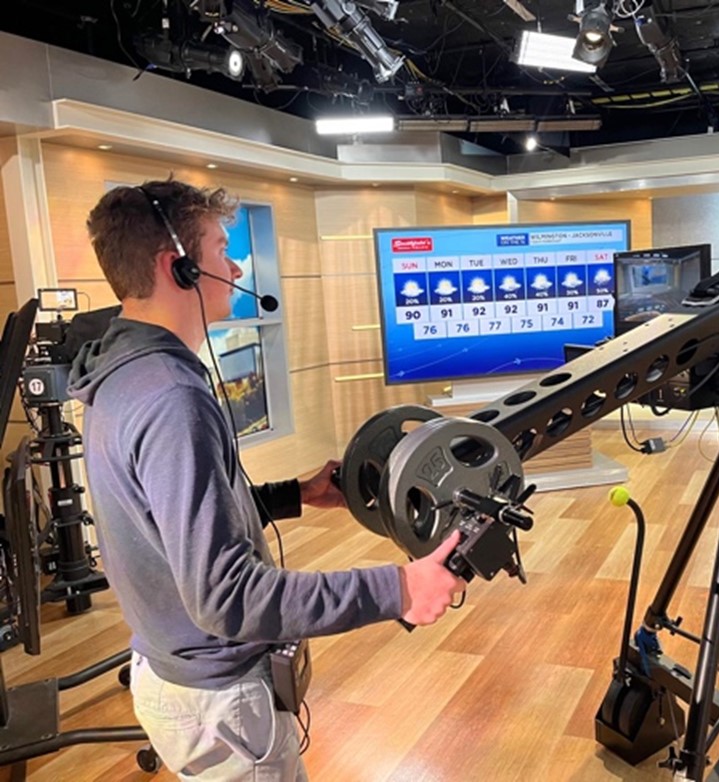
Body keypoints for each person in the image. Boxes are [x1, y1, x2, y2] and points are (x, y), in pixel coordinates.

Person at [67, 178, 466, 781]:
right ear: (179, 268)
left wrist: (292, 496)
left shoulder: (122, 373)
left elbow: (165, 524)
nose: (235, 267)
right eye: (221, 250)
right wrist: (399, 589)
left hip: (176, 672)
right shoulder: (171, 397)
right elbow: (226, 596)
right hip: (218, 700)